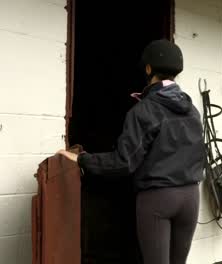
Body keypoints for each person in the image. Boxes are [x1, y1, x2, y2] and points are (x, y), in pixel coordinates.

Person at [57, 39, 205, 264]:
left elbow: (123, 163)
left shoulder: (143, 110)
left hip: (158, 199)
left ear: (148, 69)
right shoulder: (192, 109)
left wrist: (82, 159)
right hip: (191, 197)